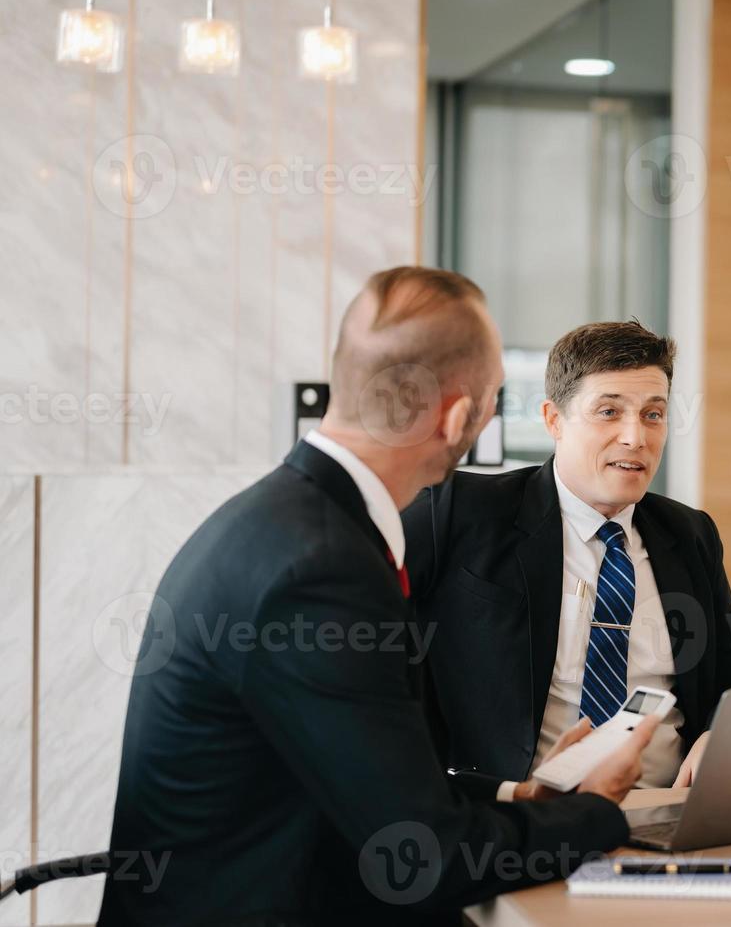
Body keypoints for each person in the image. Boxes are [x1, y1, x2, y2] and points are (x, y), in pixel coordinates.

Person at [100, 268, 653, 925]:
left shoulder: (281, 520)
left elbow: (367, 772)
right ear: (455, 419)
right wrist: (595, 815)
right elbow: (425, 857)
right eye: (492, 401)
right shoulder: (323, 570)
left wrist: (519, 793)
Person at [404, 320, 731, 800]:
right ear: (554, 420)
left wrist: (723, 736)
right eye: (609, 411)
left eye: (653, 415)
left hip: (666, 810)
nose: (635, 437)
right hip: (521, 814)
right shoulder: (458, 512)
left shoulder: (689, 533)